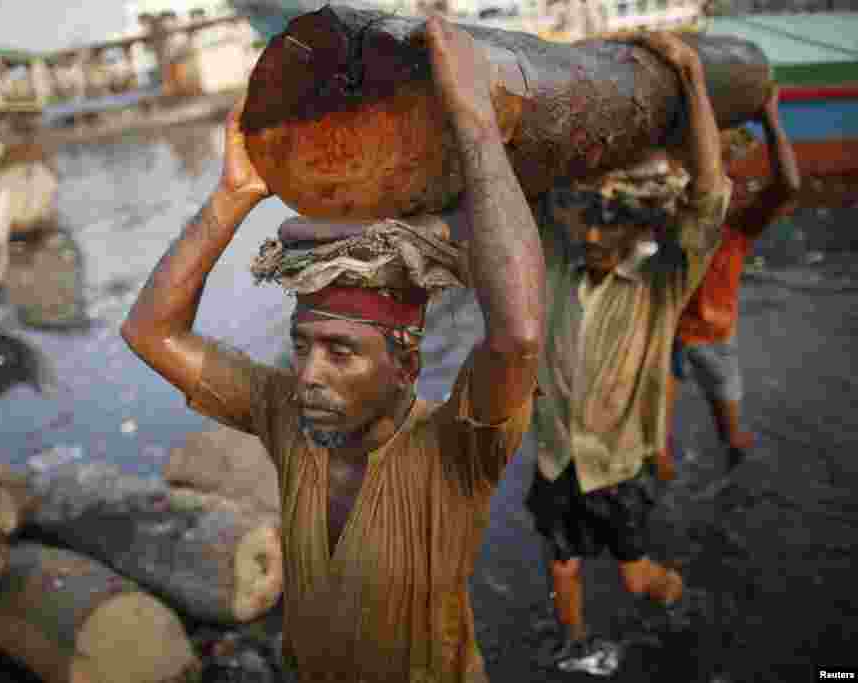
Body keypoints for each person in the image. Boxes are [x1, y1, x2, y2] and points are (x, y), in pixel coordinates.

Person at [122, 15, 545, 682]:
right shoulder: (288, 415)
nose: (309, 373)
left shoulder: (456, 448)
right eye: (302, 344)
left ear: (406, 361)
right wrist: (232, 199)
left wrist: (477, 128)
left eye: (341, 352)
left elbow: (517, 337)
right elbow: (150, 332)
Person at [527, 31, 732, 675]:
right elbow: (519, 188)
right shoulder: (555, 265)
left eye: (608, 222)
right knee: (560, 563)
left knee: (639, 577)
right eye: (583, 216)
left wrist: (692, 78)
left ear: (640, 225)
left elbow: (708, 196)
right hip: (557, 461)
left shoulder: (660, 283)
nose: (592, 233)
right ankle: (576, 644)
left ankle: (680, 608)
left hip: (616, 470)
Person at [661, 85, 801, 477]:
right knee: (656, 453)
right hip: (665, 339)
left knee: (733, 437)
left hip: (714, 336)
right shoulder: (666, 213)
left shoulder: (736, 227)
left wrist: (771, 118)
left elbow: (788, 186)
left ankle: (738, 488)